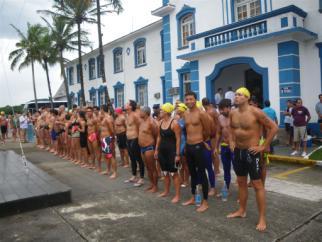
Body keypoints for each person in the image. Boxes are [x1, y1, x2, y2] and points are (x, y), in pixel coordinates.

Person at [227, 87, 278, 232]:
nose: (236, 97)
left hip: (252, 152)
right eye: (235, 94)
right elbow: (231, 128)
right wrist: (231, 140)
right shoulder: (233, 113)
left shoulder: (256, 112)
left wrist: (263, 146)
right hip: (238, 151)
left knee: (257, 185)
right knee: (241, 182)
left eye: (239, 95)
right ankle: (241, 210)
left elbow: (273, 127)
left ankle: (262, 218)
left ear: (247, 98)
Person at [182, 91, 211, 212]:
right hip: (189, 147)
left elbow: (208, 130)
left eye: (191, 99)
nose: (188, 101)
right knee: (192, 173)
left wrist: (203, 141)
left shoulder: (201, 113)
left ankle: (205, 201)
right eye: (187, 99)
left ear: (195, 100)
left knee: (202, 173)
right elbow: (186, 130)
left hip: (198, 145)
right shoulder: (185, 113)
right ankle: (193, 197)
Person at [154, 103, 181, 203]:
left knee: (174, 174)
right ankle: (166, 191)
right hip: (162, 151)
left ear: (166, 112)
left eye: (161, 110)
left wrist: (178, 154)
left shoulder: (174, 123)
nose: (160, 112)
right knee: (165, 172)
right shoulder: (160, 122)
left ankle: (177, 195)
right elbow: (159, 137)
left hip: (172, 151)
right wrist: (156, 149)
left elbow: (178, 140)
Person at [124, 100, 145, 186]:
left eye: (127, 103)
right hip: (128, 139)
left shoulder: (135, 115)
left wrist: (139, 139)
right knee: (132, 158)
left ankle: (141, 178)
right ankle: (134, 176)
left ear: (131, 106)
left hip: (135, 138)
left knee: (138, 159)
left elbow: (140, 127)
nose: (125, 104)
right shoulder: (127, 115)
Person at [139, 106, 158, 193]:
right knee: (148, 168)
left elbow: (157, 136)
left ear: (145, 113)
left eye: (141, 112)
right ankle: (151, 184)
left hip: (149, 148)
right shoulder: (142, 121)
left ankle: (155, 186)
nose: (139, 113)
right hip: (142, 148)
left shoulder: (151, 122)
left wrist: (156, 149)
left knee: (152, 168)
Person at [217, 99, 234, 193]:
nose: (221, 111)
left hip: (235, 147)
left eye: (222, 109)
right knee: (226, 168)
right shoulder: (220, 117)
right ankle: (226, 188)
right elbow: (218, 133)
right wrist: (216, 147)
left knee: (239, 170)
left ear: (228, 107)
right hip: (224, 146)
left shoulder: (236, 116)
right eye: (220, 109)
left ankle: (241, 193)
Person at [100, 105, 117, 179]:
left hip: (108, 138)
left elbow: (112, 130)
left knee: (111, 156)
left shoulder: (108, 118)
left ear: (102, 110)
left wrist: (112, 139)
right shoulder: (104, 118)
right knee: (106, 156)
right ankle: (108, 170)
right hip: (104, 139)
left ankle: (114, 172)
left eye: (101, 109)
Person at [175, 103, 190, 188]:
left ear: (182, 109)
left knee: (185, 164)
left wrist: (186, 145)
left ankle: (186, 180)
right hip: (179, 142)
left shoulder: (186, 120)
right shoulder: (179, 119)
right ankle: (181, 179)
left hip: (185, 143)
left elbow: (188, 133)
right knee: (180, 163)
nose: (176, 109)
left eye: (178, 108)